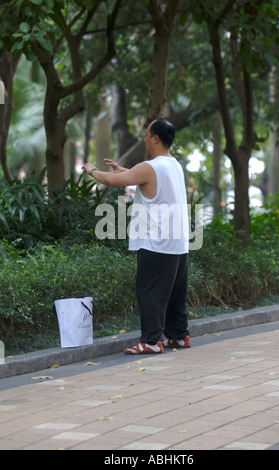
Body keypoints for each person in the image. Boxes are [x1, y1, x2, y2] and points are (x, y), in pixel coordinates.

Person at [82, 119, 190, 354]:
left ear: (155, 138)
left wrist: (91, 169)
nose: (143, 139)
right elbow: (144, 181)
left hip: (156, 243)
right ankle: (179, 336)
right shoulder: (174, 165)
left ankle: (151, 341)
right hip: (178, 244)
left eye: (146, 134)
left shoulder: (151, 166)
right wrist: (125, 172)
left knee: (149, 290)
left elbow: (110, 181)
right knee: (174, 293)